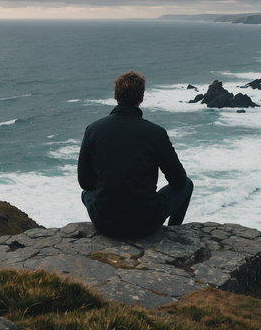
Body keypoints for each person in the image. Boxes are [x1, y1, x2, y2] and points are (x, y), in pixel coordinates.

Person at [78, 71, 193, 238]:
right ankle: (173, 232)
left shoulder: (93, 130)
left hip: (104, 223)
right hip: (146, 223)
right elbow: (179, 180)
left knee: (86, 194)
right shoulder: (156, 133)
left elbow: (85, 182)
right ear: (141, 98)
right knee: (187, 184)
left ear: (116, 95)